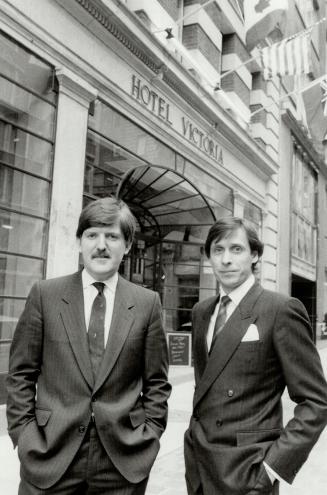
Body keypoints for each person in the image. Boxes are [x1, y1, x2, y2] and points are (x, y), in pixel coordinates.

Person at [6, 196, 171, 495]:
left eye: (112, 236)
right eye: (92, 235)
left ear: (128, 245)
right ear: (80, 241)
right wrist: (24, 435)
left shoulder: (147, 304)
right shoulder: (45, 295)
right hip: (49, 455)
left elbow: (157, 381)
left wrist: (150, 436)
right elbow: (20, 374)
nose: (101, 245)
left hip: (122, 462)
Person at [184, 217, 327, 495]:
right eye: (218, 250)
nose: (226, 259)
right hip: (199, 469)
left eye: (236, 249)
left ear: (255, 255)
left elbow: (316, 402)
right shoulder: (201, 312)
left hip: (249, 474)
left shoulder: (280, 309)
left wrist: (272, 468)